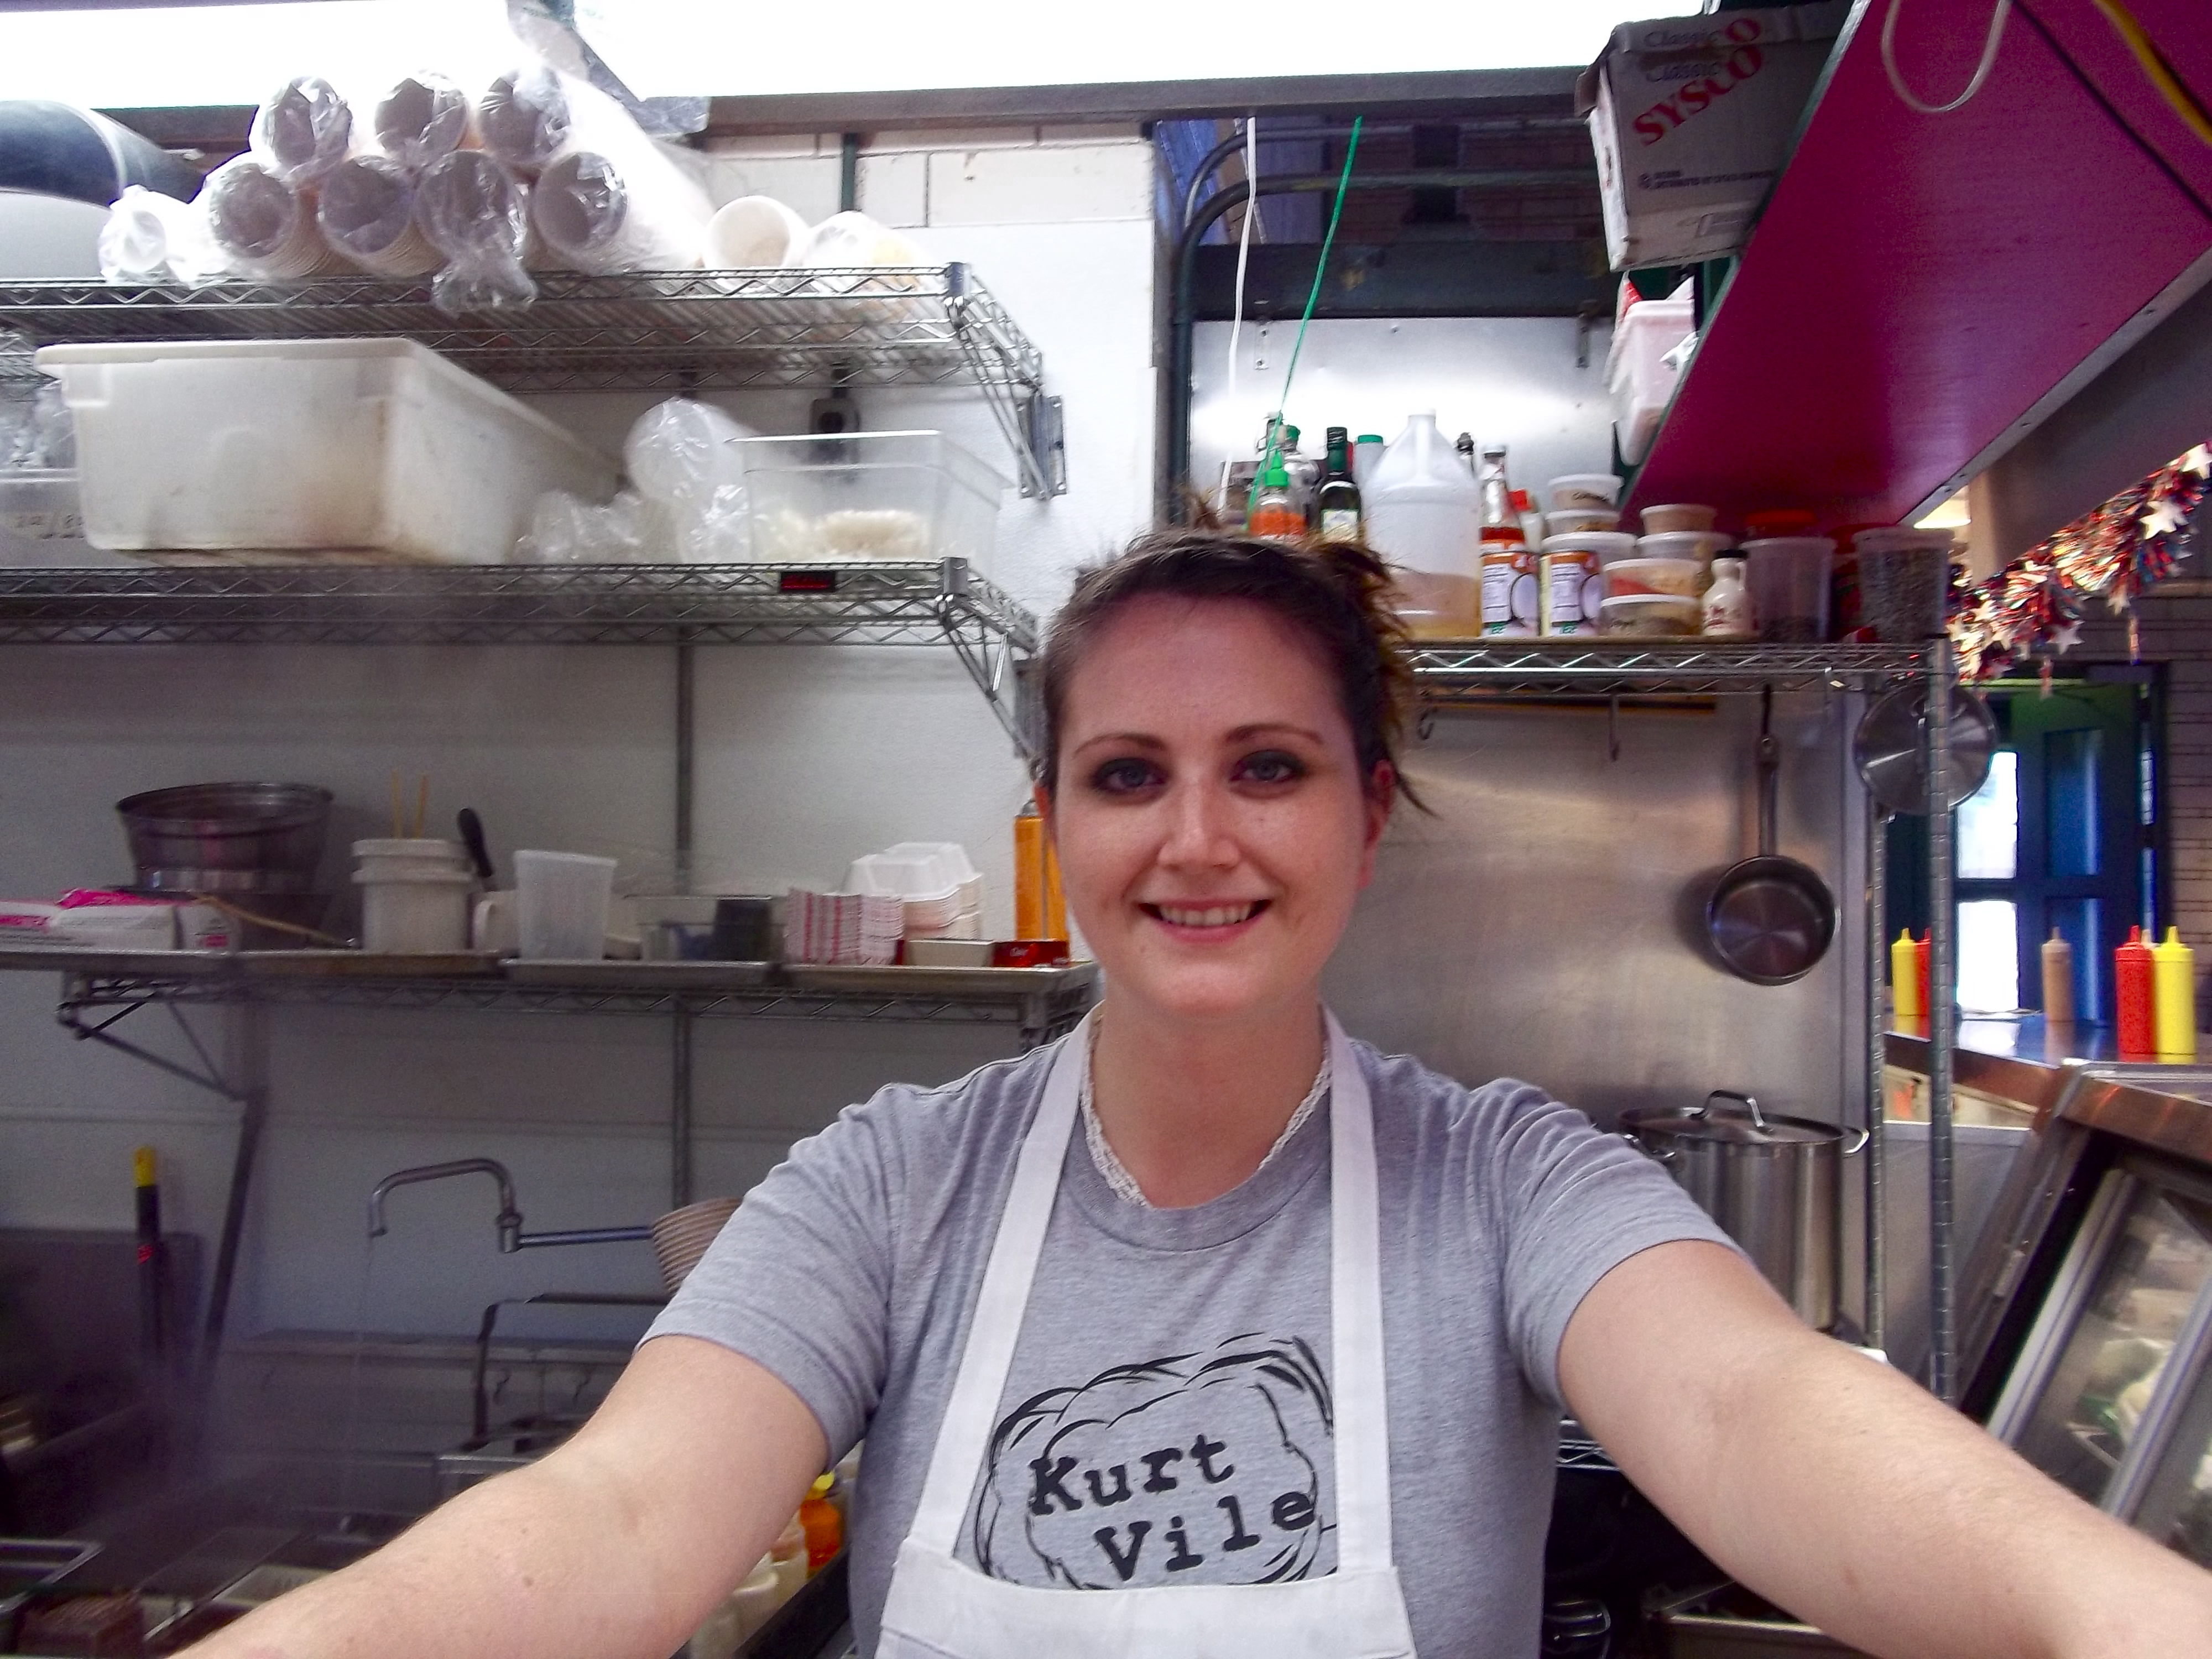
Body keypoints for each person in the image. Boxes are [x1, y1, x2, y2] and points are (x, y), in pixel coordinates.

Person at [191, 532, 2212, 1659]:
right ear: (1058, 824)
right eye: (1128, 776)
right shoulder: (891, 1187)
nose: (1197, 840)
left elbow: (1764, 1406)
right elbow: (620, 1518)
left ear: (1367, 813)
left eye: (1269, 767)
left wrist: (2123, 1625)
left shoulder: (1502, 1184)